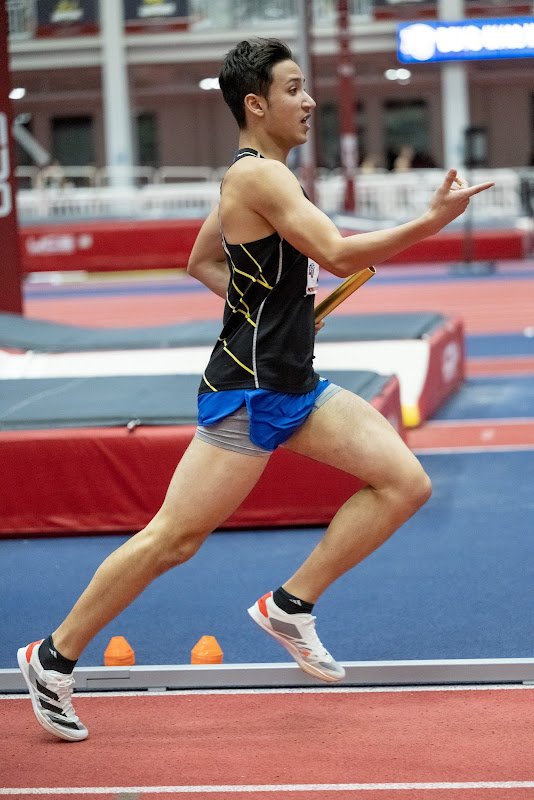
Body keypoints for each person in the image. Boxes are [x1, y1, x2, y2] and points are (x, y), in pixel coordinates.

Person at [17, 38, 494, 743]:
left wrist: (263, 310)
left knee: (404, 483)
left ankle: (289, 605)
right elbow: (334, 253)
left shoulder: (256, 178)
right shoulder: (260, 179)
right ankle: (51, 658)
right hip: (246, 390)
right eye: (295, 89)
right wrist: (430, 224)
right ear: (255, 103)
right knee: (173, 540)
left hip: (294, 384)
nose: (309, 102)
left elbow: (202, 260)